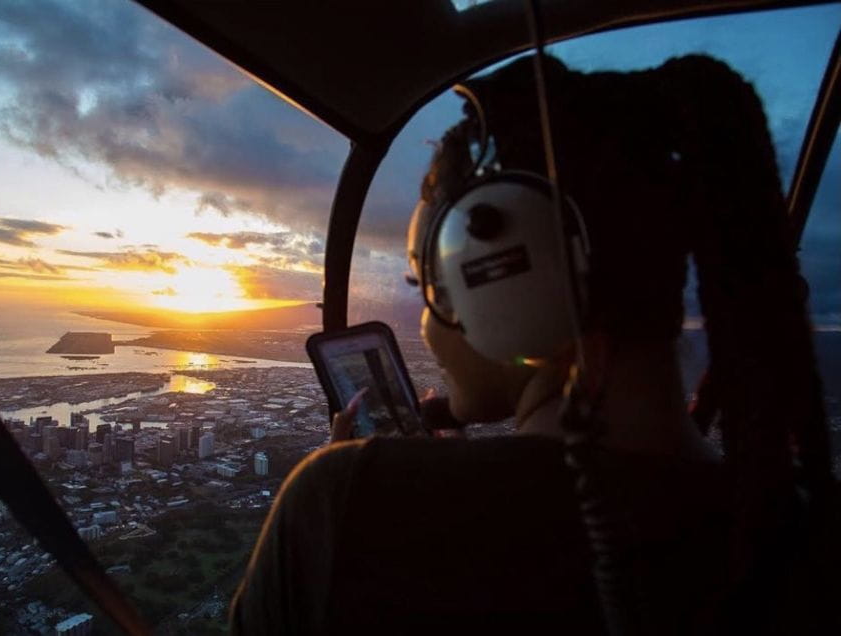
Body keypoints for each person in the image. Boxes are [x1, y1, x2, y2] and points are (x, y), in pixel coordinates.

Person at [230, 53, 825, 635]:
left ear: (510, 280)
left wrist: (362, 482)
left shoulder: (347, 506)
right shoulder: (807, 537)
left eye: (433, 285)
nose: (426, 326)